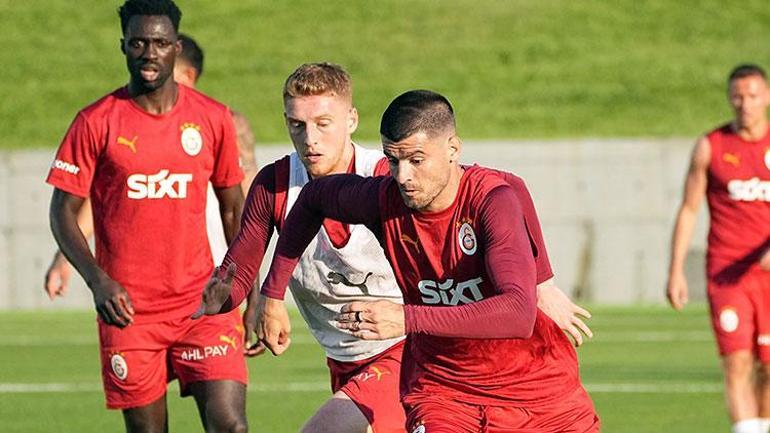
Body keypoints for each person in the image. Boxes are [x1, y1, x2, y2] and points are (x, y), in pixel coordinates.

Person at [198, 87, 599, 432]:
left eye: (416, 160)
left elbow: (516, 313)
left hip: (536, 390)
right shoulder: (382, 197)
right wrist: (272, 293)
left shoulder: (490, 201)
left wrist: (542, 281)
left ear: (453, 149)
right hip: (443, 389)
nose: (403, 176)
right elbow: (314, 199)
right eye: (393, 160)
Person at [46, 1, 249, 432]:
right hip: (129, 313)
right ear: (123, 46)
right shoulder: (95, 122)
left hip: (202, 303)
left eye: (159, 43)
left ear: (176, 47)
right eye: (138, 43)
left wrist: (244, 286)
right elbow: (62, 211)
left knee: (231, 426)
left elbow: (234, 206)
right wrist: (97, 280)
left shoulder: (212, 118)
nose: (149, 53)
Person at [43, 32, 258, 297]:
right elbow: (104, 199)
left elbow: (246, 195)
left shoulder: (222, 123)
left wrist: (251, 279)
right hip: (145, 280)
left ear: (187, 75)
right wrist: (63, 258)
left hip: (212, 271)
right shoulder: (128, 126)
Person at [667, 64, 770, 433]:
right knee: (736, 361)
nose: (745, 104)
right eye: (737, 96)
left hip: (767, 275)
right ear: (729, 98)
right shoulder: (711, 146)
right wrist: (676, 270)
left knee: (768, 365)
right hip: (727, 274)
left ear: (766, 97)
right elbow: (689, 208)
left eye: (752, 95)